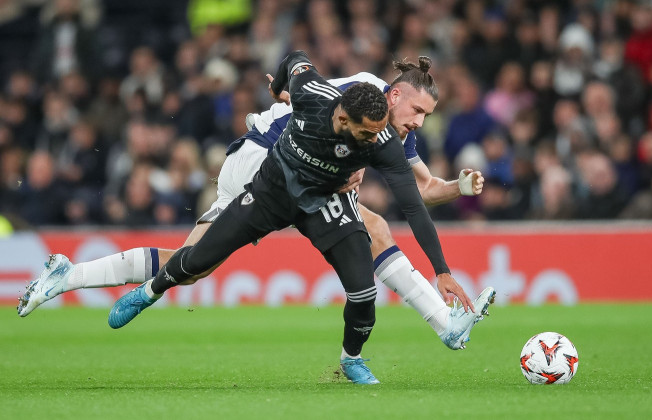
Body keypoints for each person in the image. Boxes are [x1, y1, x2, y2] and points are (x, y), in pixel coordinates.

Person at [18, 56, 494, 352]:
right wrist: (281, 96)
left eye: (427, 117)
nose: (420, 122)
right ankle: (445, 324)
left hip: (279, 170)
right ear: (393, 96)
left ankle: (69, 275)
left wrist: (460, 187)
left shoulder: (392, 132)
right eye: (417, 111)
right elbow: (309, 92)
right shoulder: (365, 91)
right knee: (372, 230)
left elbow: (424, 190)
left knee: (191, 263)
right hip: (266, 158)